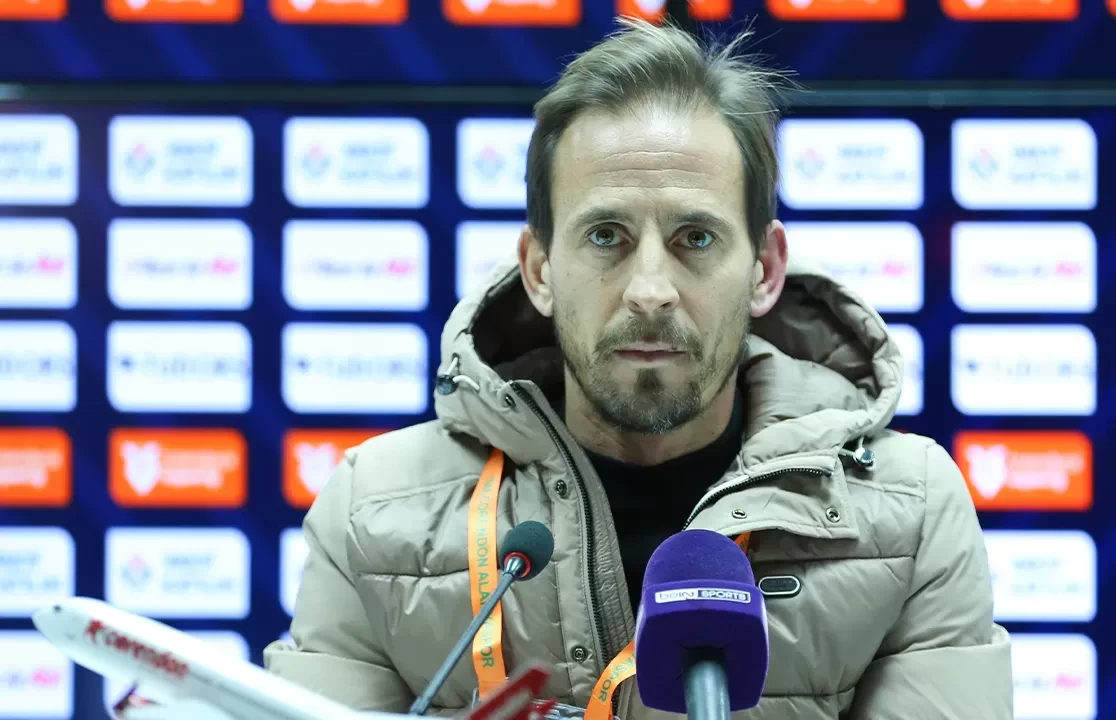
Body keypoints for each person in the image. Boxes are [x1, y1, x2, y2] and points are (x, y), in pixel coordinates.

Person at [264, 18, 1013, 719]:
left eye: (695, 238)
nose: (650, 289)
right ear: (539, 269)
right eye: (606, 236)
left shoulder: (909, 511)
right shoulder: (373, 513)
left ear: (764, 268)